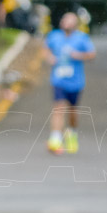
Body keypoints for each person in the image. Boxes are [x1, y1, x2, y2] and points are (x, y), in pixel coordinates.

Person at [43, 12, 96, 155]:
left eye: (70, 20)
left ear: (75, 24)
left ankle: (72, 133)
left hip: (76, 82)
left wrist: (79, 55)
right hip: (58, 80)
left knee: (72, 111)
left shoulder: (81, 38)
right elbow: (45, 50)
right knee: (58, 108)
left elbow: (92, 55)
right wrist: (50, 57)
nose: (66, 22)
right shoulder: (54, 36)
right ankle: (55, 138)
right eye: (64, 19)